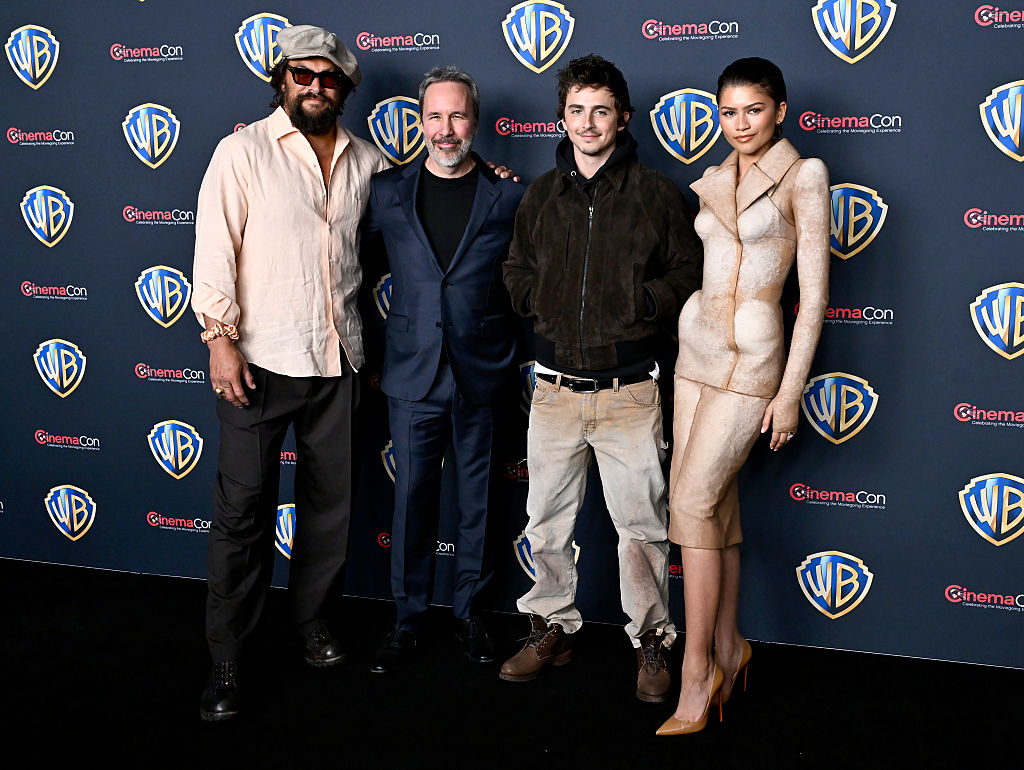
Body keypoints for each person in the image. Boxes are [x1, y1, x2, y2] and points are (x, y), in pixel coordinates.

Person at [191, 24, 391, 722]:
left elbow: (423, 206)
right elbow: (214, 250)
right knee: (242, 514)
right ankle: (227, 657)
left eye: (328, 77)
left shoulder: (368, 161)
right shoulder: (241, 151)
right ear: (280, 80)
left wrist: (494, 180)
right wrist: (219, 340)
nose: (315, 86)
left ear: (344, 89)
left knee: (330, 511)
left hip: (338, 360)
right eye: (302, 74)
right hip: (257, 359)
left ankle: (312, 623)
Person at [501, 54, 702, 703]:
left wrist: (640, 304)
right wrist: (540, 302)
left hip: (630, 392)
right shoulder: (540, 195)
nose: (588, 123)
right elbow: (515, 269)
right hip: (554, 391)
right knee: (545, 524)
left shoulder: (655, 193)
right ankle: (551, 628)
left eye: (602, 111)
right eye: (577, 111)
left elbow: (688, 273)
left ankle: (651, 640)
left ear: (623, 118)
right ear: (562, 117)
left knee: (641, 529)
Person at [657, 57, 829, 735]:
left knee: (692, 504)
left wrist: (790, 392)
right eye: (727, 112)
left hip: (754, 363)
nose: (740, 124)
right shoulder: (714, 177)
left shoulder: (804, 175)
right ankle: (731, 647)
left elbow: (813, 297)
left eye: (753, 110)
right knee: (715, 509)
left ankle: (697, 669)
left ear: (780, 110)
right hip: (693, 358)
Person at [362, 66, 524, 672]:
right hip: (412, 373)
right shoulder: (386, 192)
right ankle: (407, 619)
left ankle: (469, 613)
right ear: (420, 121)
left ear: (475, 121)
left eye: (457, 116)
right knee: (411, 500)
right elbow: (351, 265)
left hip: (482, 371)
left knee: (478, 500)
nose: (446, 129)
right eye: (435, 116)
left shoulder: (508, 195)